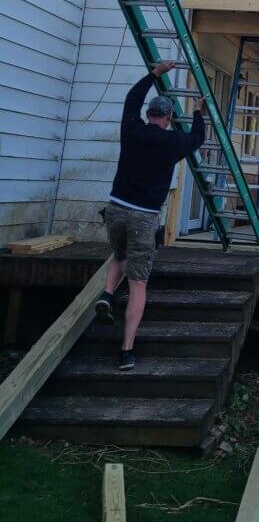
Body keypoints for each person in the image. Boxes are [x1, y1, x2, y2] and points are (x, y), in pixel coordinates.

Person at [94, 62, 205, 370]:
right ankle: (127, 349)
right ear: (169, 118)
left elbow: (132, 98)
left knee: (119, 254)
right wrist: (198, 111)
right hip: (144, 216)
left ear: (148, 114)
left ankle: (106, 294)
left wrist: (154, 74)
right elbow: (197, 139)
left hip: (115, 207)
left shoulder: (130, 129)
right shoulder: (172, 143)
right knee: (139, 282)